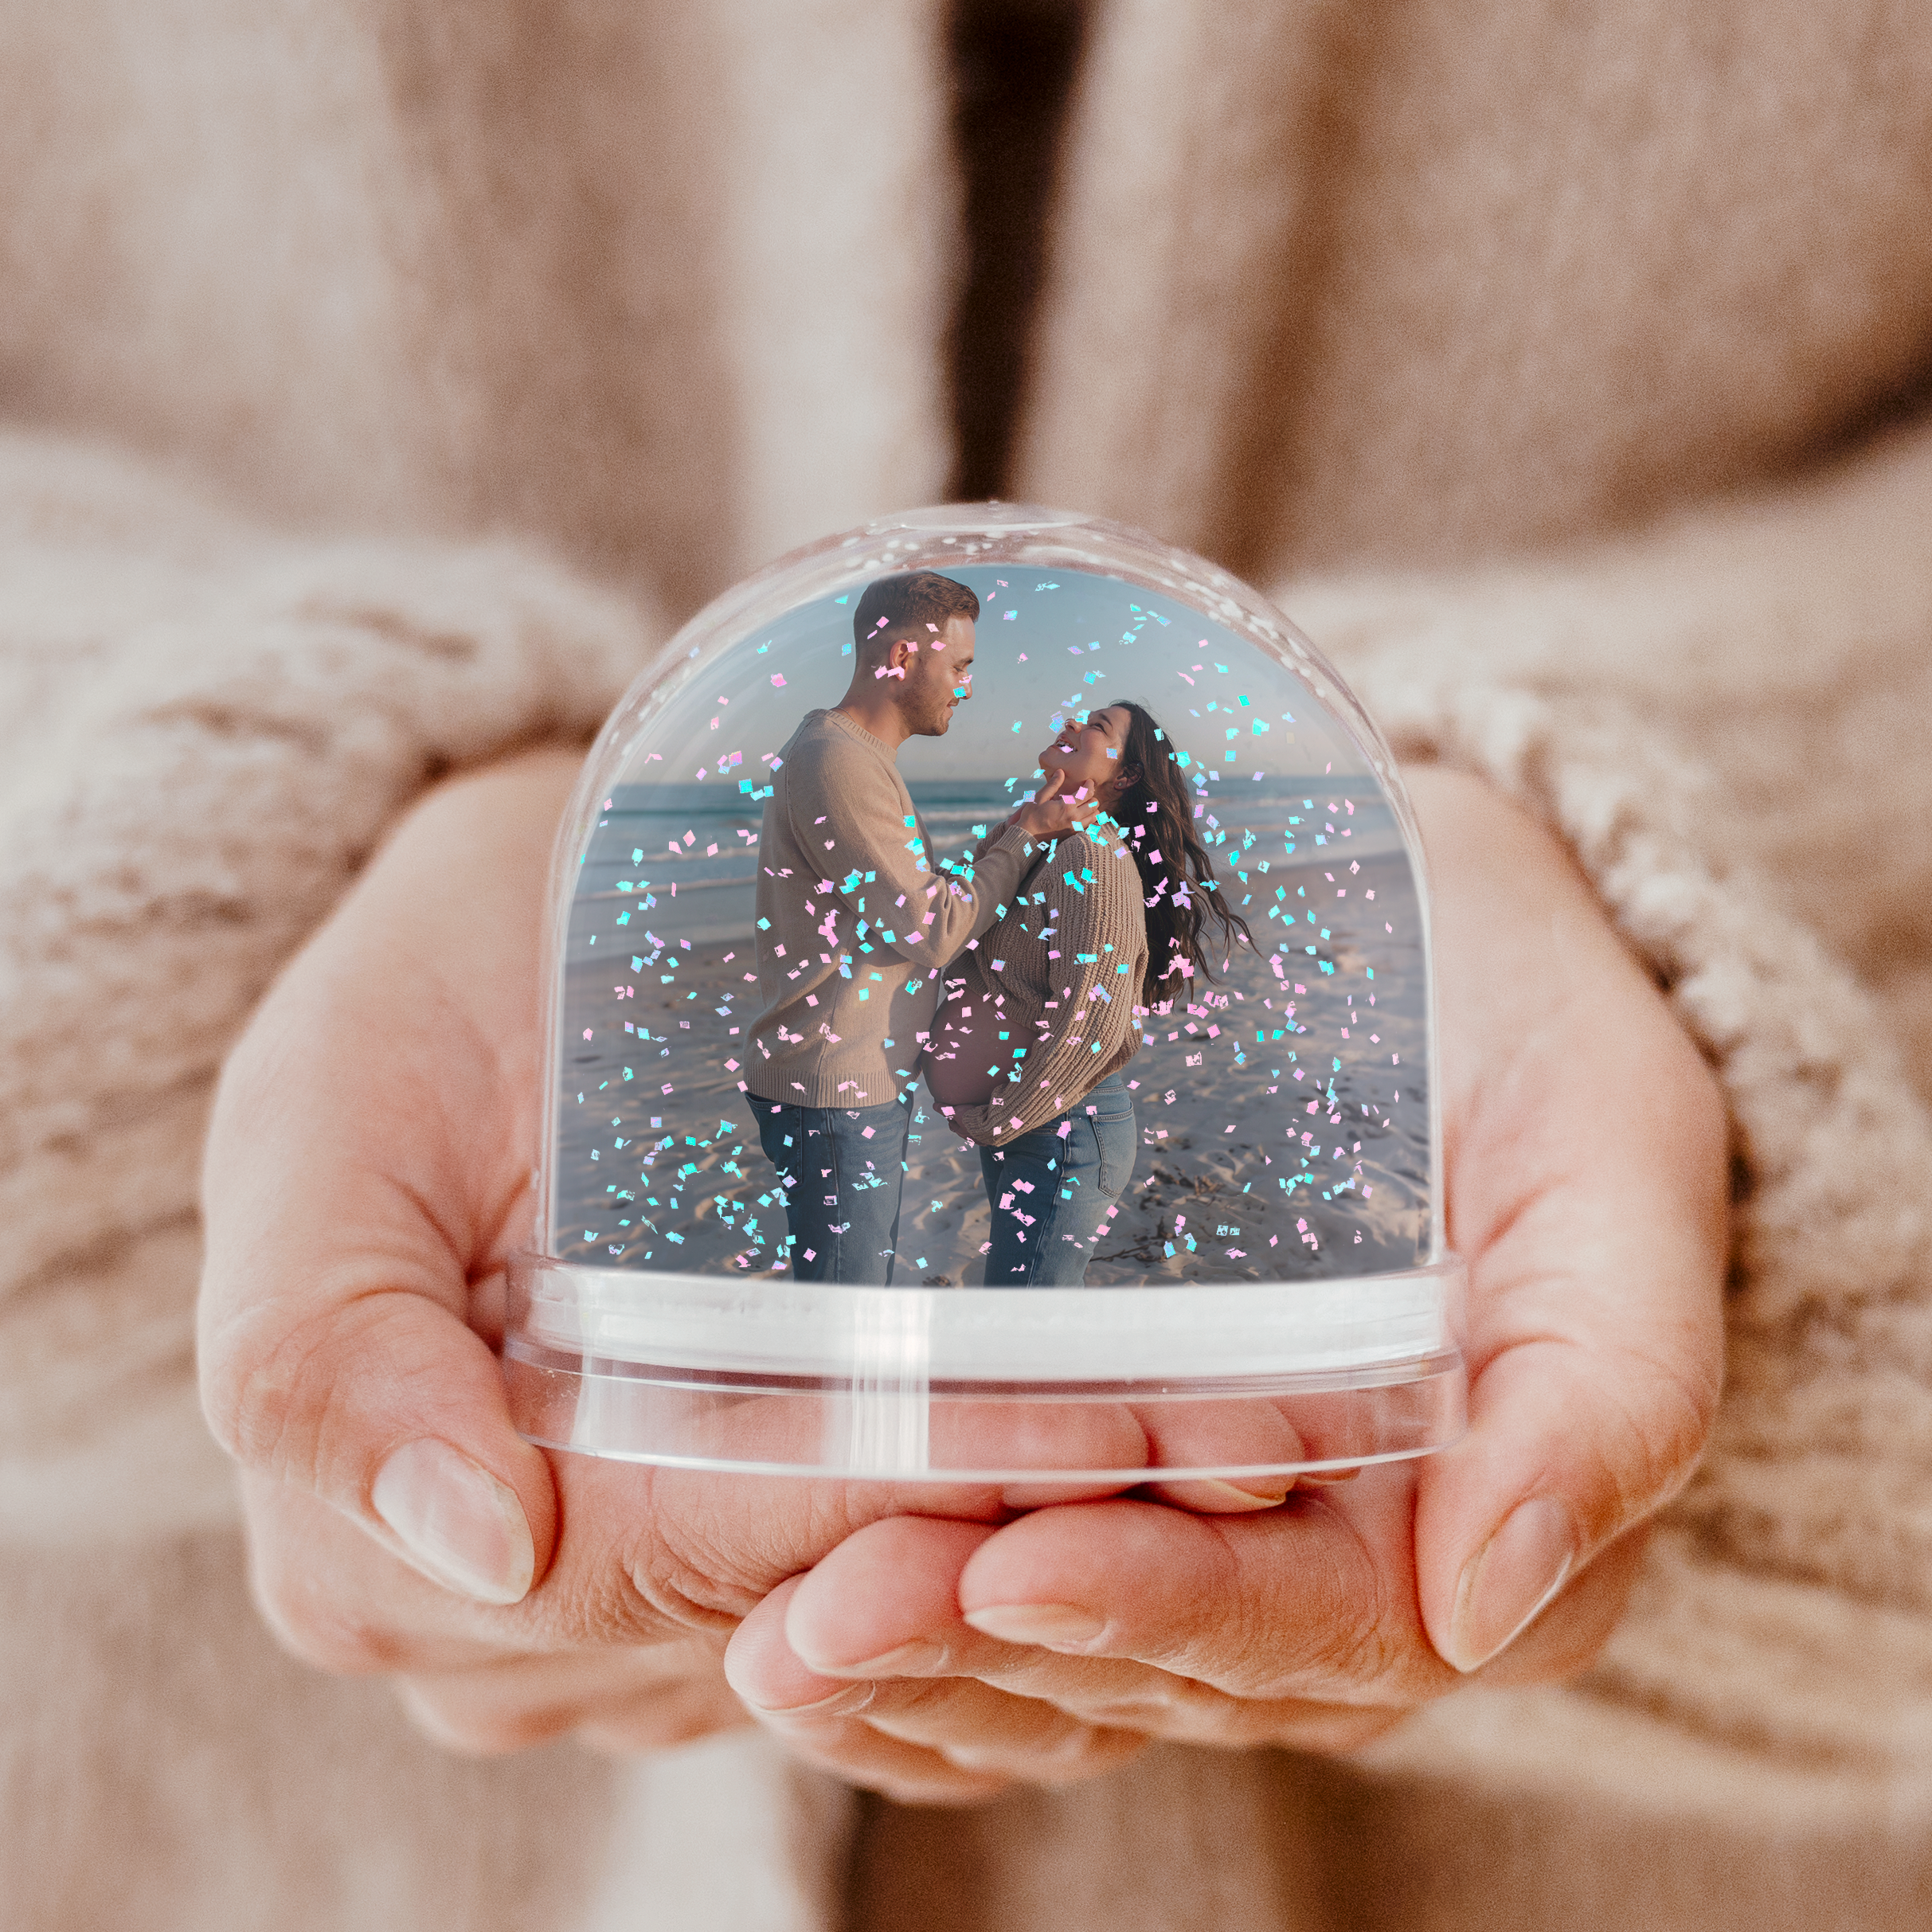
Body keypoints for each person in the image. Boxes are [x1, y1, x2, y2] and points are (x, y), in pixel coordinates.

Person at [6, 5, 1930, 1929]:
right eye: (958, 678)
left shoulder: (1018, 836)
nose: (976, 700)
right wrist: (240, 940)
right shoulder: (904, 788)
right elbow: (953, 937)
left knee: (980, 1323)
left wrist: (1675, 925)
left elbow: (1067, 984)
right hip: (205, 1828)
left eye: (1058, 730)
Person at [743, 569, 1095, 1282]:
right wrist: (1028, 830)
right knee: (848, 1309)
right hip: (836, 1089)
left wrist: (1025, 829)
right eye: (959, 667)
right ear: (903, 658)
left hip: (844, 1080)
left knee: (847, 1291)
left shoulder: (848, 756)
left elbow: (911, 901)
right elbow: (933, 927)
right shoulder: (838, 761)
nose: (966, 688)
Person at [928, 700, 1250, 1285]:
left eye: (1097, 726)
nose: (1072, 722)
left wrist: (998, 1120)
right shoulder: (1050, 840)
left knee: (1023, 1325)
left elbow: (1092, 1027)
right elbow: (963, 922)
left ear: (1124, 776)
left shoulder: (1093, 857)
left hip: (1063, 1129)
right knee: (1022, 1310)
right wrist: (1027, 821)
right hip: (1030, 1117)